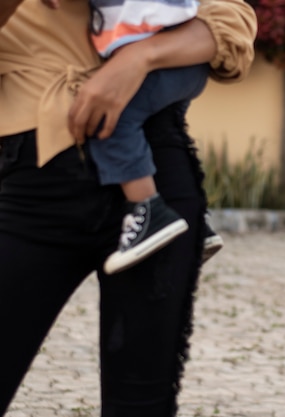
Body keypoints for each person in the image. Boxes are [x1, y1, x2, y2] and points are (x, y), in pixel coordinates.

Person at [0, 0, 256, 415]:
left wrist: (139, 57)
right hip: (36, 190)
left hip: (159, 182)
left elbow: (234, 21)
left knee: (140, 403)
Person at [39, 0, 223, 274]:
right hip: (182, 61)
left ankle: (148, 212)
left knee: (108, 120)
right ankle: (196, 224)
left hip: (167, 60)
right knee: (150, 134)